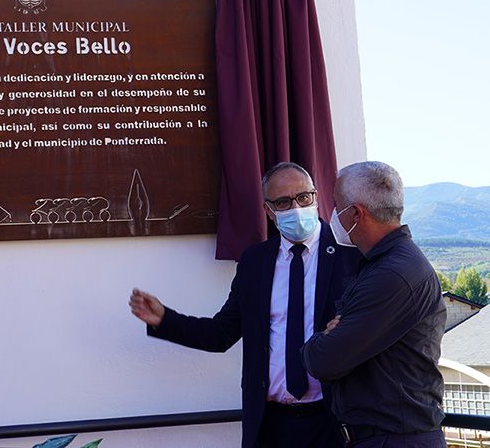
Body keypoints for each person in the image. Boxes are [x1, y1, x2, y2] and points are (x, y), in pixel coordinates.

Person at [130, 162, 358, 448]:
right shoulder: (255, 262)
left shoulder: (351, 255)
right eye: (283, 202)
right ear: (268, 211)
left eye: (303, 197)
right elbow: (221, 334)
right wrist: (165, 319)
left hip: (335, 422)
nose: (296, 208)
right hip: (271, 425)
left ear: (316, 196)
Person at [302, 161, 447, 447]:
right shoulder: (383, 265)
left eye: (336, 205)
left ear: (356, 213)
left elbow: (324, 361)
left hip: (396, 440)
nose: (332, 215)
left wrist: (318, 342)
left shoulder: (392, 274)